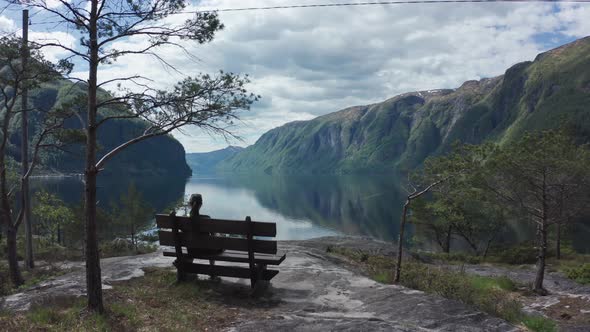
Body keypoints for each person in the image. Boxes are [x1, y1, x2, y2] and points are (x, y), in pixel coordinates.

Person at [187, 194, 223, 272]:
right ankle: (212, 271)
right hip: (206, 250)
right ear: (201, 205)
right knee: (216, 244)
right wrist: (219, 235)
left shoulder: (184, 219)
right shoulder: (206, 219)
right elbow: (213, 235)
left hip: (191, 250)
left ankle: (188, 270)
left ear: (190, 204)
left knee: (193, 242)